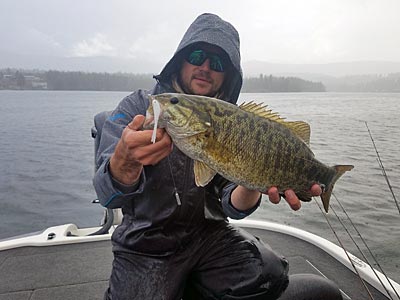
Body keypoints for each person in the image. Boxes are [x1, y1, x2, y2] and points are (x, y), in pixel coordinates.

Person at [94, 13, 343, 300]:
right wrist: (124, 161)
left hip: (207, 236)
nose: (205, 67)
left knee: (269, 273)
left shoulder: (231, 121)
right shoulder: (137, 108)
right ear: (181, 59)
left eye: (218, 63)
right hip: (145, 244)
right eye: (197, 55)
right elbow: (108, 196)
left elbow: (230, 207)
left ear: (229, 74)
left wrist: (253, 180)